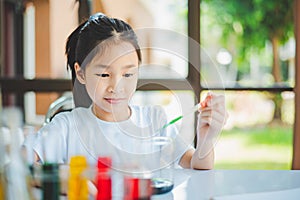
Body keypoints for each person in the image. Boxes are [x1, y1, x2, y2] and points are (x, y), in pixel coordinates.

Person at [25, 13, 227, 170]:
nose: (116, 87)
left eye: (128, 75)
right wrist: (60, 177)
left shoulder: (154, 121)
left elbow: (198, 164)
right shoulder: (66, 128)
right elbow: (20, 162)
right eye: (104, 75)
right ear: (81, 73)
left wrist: (207, 137)